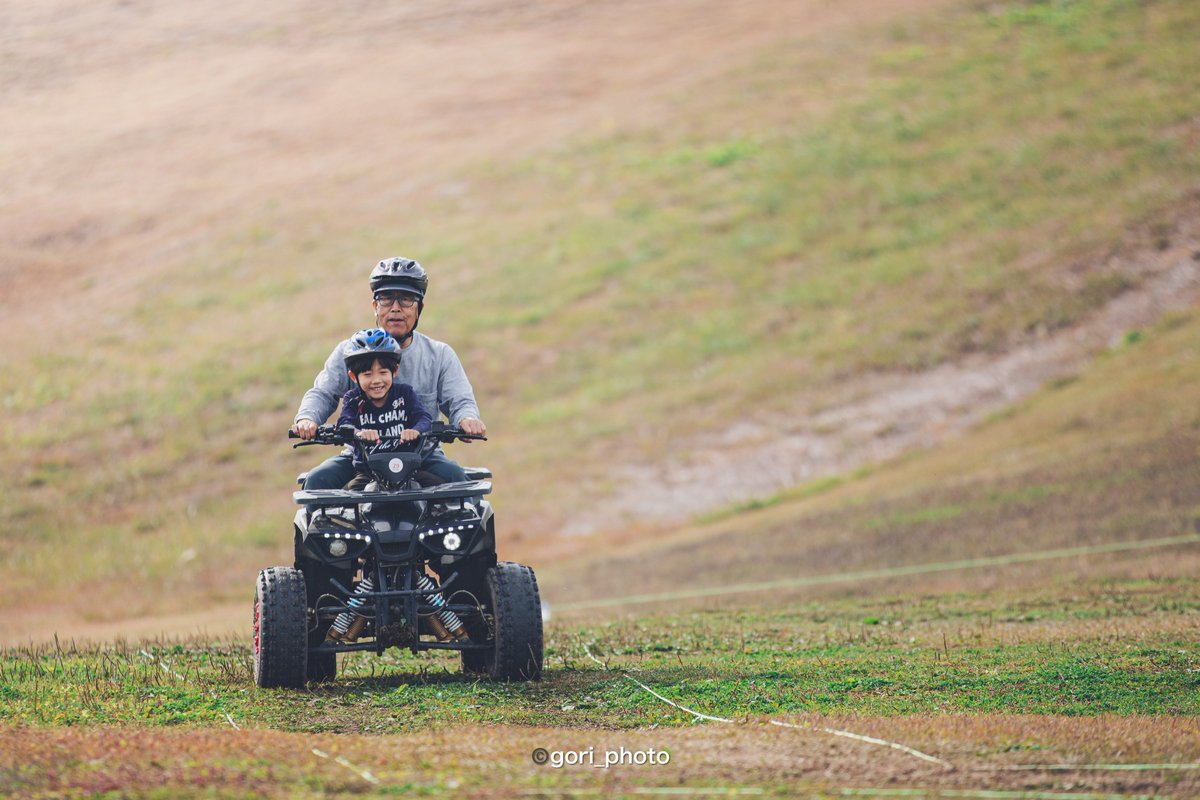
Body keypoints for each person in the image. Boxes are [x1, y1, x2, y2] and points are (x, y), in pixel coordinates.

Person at [292, 257, 486, 500]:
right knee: (316, 482)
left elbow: (459, 400)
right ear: (375, 306)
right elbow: (323, 393)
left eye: (406, 299)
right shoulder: (349, 352)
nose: (396, 308)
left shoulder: (439, 355)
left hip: (423, 456)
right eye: (386, 298)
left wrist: (467, 419)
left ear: (420, 308)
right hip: (360, 458)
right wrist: (308, 418)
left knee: (462, 487)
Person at [336, 328, 433, 490]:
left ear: (394, 371)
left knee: (441, 490)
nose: (376, 380)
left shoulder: (405, 394)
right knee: (348, 499)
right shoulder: (353, 399)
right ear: (354, 376)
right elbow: (344, 425)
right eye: (367, 374)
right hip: (368, 473)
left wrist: (415, 431)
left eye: (383, 372)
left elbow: (424, 418)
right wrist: (359, 433)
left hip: (408, 471)